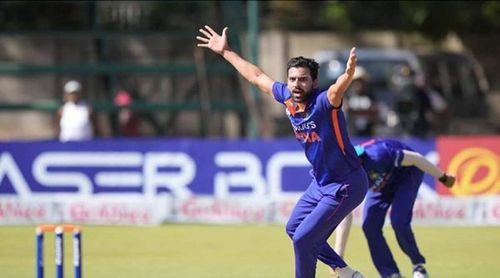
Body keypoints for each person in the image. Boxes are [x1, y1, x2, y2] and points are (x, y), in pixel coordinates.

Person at [197, 25, 368, 278]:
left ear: (314, 82)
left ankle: (341, 271)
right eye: (292, 79)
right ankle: (344, 271)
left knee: (303, 239)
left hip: (345, 185)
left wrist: (348, 75)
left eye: (303, 79)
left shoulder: (323, 102)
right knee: (294, 228)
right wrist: (226, 52)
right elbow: (256, 76)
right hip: (320, 183)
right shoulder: (287, 97)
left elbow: (336, 90)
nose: (296, 84)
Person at [331, 138, 456, 278]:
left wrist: (443, 177)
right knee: (369, 226)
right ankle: (391, 274)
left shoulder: (378, 154)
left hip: (407, 175)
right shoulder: (346, 176)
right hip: (381, 185)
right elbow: (344, 213)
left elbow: (416, 159)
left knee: (398, 221)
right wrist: (338, 256)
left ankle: (418, 266)